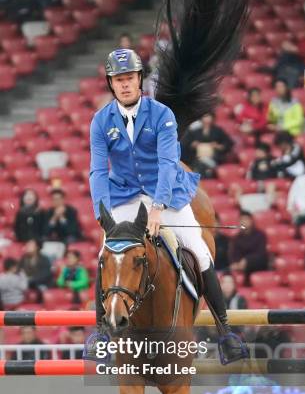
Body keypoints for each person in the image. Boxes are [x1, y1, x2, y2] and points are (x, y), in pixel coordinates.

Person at [89, 48, 249, 363]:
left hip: (166, 192)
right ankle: (101, 333)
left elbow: (167, 163)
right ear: (111, 83)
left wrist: (159, 207)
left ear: (139, 80)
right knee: (106, 253)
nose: (124, 85)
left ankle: (226, 333)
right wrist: (101, 214)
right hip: (124, 195)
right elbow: (97, 170)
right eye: (118, 80)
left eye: (130, 78)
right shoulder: (100, 120)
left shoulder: (162, 115)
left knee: (198, 248)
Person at [183, 112, 234, 177]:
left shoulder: (218, 131)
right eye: (205, 117)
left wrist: (218, 146)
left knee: (201, 166)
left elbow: (228, 143)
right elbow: (186, 144)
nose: (207, 119)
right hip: (196, 158)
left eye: (208, 117)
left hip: (214, 158)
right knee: (199, 164)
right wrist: (193, 145)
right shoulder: (196, 131)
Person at [228, 210, 268, 279]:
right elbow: (234, 255)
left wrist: (247, 260)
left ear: (251, 221)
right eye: (241, 219)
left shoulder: (260, 235)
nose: (244, 222)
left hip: (258, 265)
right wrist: (236, 263)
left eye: (246, 219)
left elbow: (261, 254)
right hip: (241, 267)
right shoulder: (236, 238)